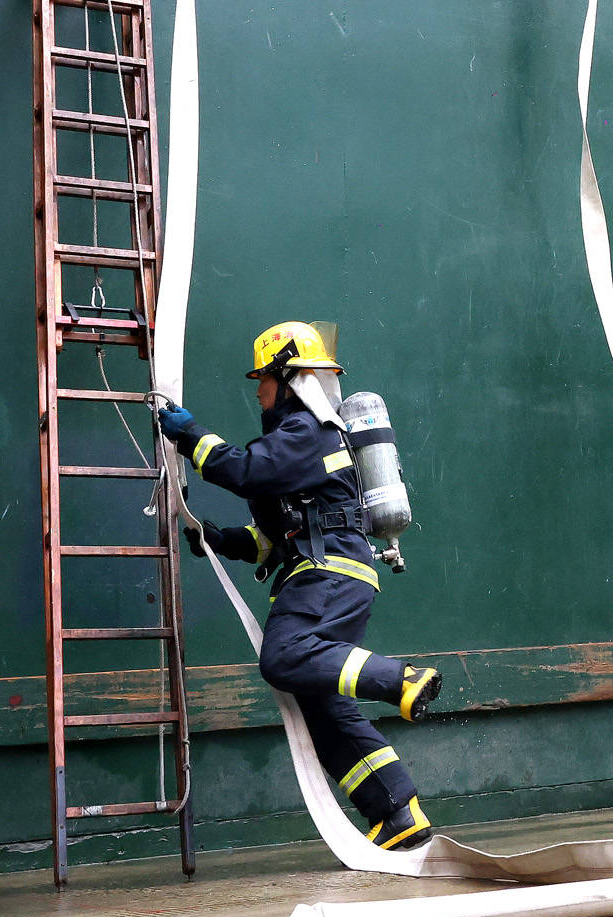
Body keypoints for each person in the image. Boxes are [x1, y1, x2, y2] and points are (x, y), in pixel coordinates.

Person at [155, 321, 441, 851]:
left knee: (285, 656)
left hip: (326, 575)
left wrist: (190, 435)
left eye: (263, 379)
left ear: (289, 380)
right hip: (329, 572)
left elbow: (245, 471)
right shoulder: (298, 442)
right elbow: (276, 537)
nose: (258, 390)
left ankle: (400, 680)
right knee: (324, 709)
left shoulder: (308, 431)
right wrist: (221, 540)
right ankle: (398, 814)